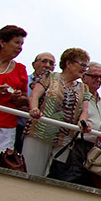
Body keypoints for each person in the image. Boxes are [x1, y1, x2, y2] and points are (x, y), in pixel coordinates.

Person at [24, 47, 89, 176]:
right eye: (82, 64)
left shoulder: (84, 87)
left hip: (64, 138)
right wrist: (34, 109)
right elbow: (35, 95)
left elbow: (85, 110)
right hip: (39, 132)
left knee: (53, 177)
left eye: (86, 66)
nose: (84, 69)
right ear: (68, 63)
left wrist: (83, 122)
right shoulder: (49, 76)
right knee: (30, 174)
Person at [0, 25, 29, 152]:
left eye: (22, 44)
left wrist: (18, 98)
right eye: (16, 42)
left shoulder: (21, 69)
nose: (20, 47)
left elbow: (24, 98)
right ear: (2, 42)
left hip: (7, 122)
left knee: (0, 160)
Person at [78, 62, 101, 144]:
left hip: (96, 146)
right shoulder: (77, 95)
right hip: (79, 143)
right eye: (95, 76)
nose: (98, 80)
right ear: (84, 77)